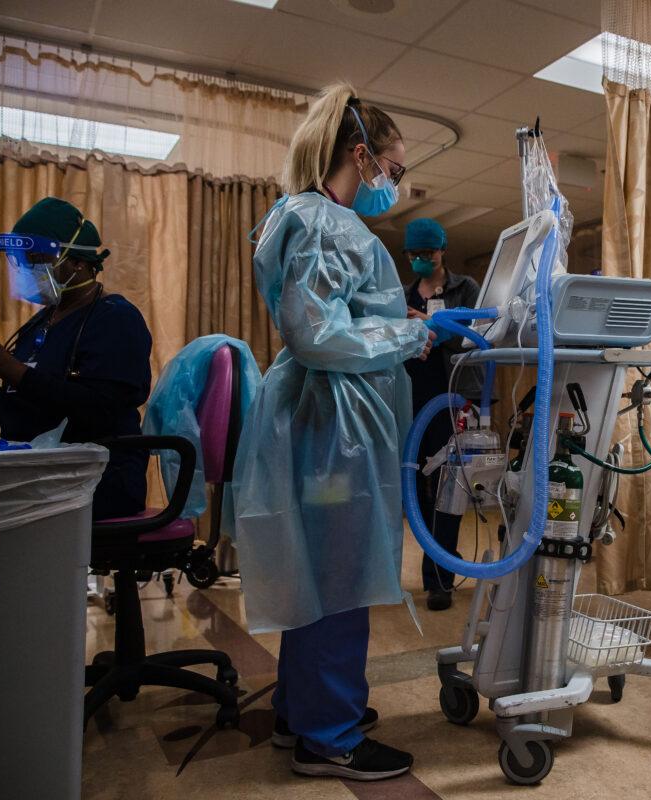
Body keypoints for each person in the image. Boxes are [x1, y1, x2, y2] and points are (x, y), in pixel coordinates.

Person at [233, 82, 435, 782]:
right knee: (342, 576)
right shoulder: (329, 224)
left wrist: (404, 331)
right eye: (395, 170)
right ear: (361, 154)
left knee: (318, 571)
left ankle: (304, 710)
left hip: (321, 424)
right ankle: (331, 735)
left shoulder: (302, 217)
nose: (396, 185)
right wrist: (411, 333)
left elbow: (323, 323)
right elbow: (319, 335)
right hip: (336, 429)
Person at [0, 197, 152, 520]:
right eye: (21, 261)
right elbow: (25, 415)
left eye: (37, 260)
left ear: (78, 264)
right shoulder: (42, 322)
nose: (26, 269)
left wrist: (7, 367)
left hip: (97, 482)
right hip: (42, 474)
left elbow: (99, 410)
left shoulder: (116, 320)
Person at [401, 217, 484, 612]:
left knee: (448, 490)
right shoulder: (403, 296)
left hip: (451, 400)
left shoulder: (463, 288)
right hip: (412, 401)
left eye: (427, 254)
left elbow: (475, 332)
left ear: (442, 250)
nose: (421, 260)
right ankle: (422, 571)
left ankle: (440, 581)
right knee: (414, 489)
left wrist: (429, 325)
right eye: (414, 255)